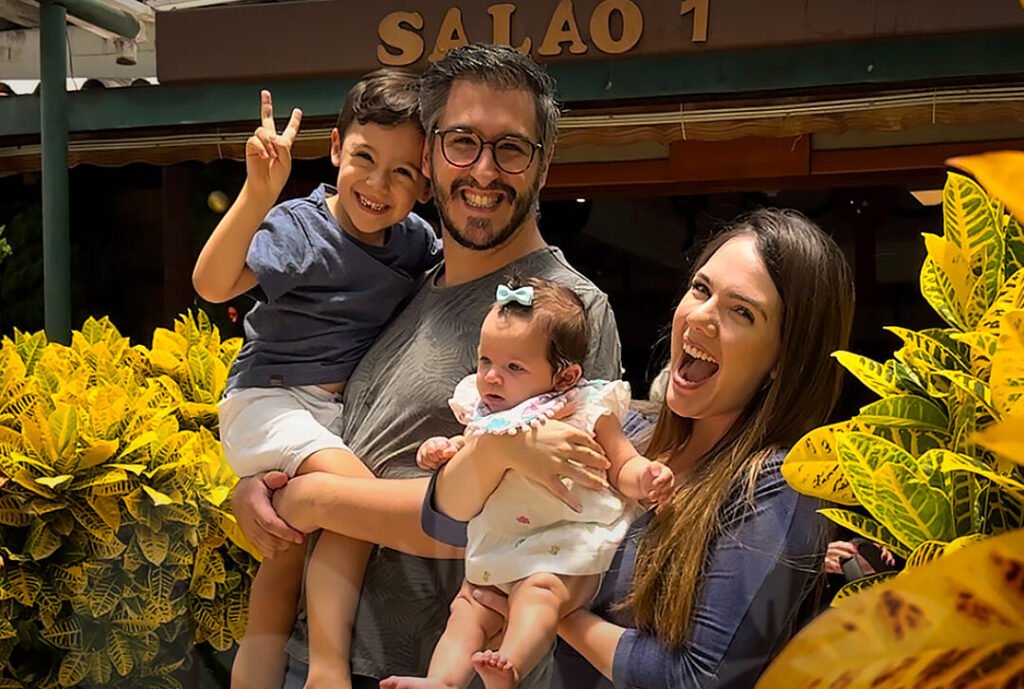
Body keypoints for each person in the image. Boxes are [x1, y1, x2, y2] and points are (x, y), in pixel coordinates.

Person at [228, 44, 622, 689]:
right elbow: (332, 424)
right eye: (462, 142)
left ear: (544, 165)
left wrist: (314, 499)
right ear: (431, 155)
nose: (484, 171)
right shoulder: (406, 276)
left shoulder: (569, 312)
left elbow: (544, 515)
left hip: (434, 672)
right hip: (316, 656)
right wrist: (265, 485)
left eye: (512, 148)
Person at [422, 208, 856, 688]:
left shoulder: (775, 484)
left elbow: (697, 678)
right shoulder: (627, 429)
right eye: (701, 289)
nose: (702, 317)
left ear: (783, 359)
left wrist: (546, 601)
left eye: (742, 312)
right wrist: (498, 452)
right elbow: (442, 519)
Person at [192, 69, 438, 689]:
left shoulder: (413, 244)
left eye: (403, 172)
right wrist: (257, 194)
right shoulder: (302, 227)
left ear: (427, 182)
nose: (379, 185)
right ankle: (327, 671)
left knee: (280, 566)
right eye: (364, 158)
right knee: (358, 506)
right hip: (268, 398)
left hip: (322, 419)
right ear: (335, 149)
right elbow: (212, 285)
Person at [383, 278, 673, 689]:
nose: (492, 378)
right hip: (498, 545)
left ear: (564, 375)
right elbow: (471, 450)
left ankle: (509, 667)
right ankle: (442, 682)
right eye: (485, 361)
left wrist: (644, 476)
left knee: (538, 595)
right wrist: (444, 448)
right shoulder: (486, 409)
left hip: (561, 548)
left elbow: (620, 462)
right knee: (467, 608)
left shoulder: (586, 407)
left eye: (513, 367)